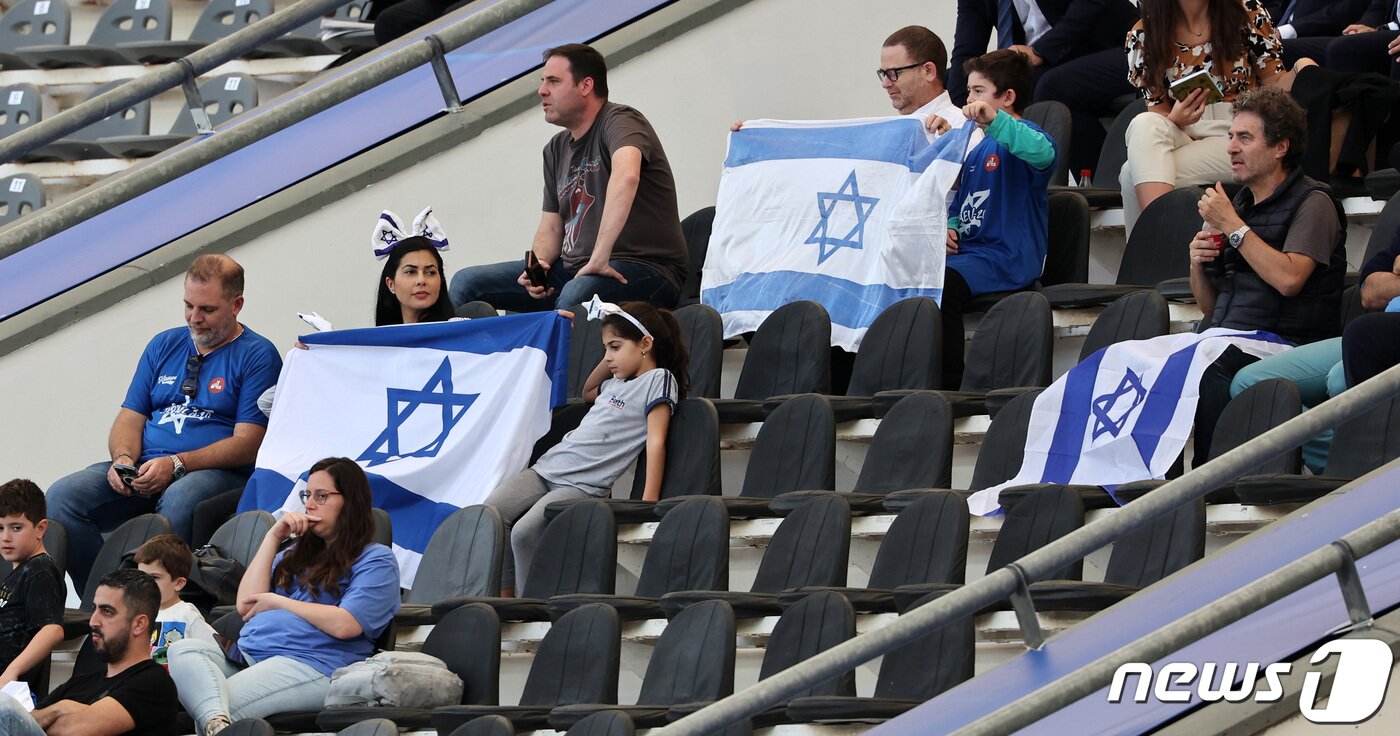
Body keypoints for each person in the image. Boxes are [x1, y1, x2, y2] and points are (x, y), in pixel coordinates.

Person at [46, 255, 282, 594]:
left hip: (213, 473)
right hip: (145, 465)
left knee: (180, 497)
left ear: (237, 304)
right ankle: (104, 597)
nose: (195, 319)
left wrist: (178, 464)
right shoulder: (163, 344)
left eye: (208, 310)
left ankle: (154, 603)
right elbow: (130, 416)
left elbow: (248, 442)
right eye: (188, 306)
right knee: (62, 496)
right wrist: (123, 459)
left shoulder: (258, 354)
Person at [448, 44, 689, 313]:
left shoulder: (621, 120)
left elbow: (627, 176)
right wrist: (536, 267)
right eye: (543, 82)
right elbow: (551, 228)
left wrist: (600, 255)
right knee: (465, 284)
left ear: (586, 86)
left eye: (553, 81)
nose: (542, 91)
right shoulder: (555, 149)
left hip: (645, 269)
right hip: (576, 271)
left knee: (575, 294)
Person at [167, 457, 399, 736]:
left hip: (313, 665)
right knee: (183, 650)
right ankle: (216, 723)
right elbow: (246, 604)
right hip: (249, 655)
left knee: (220, 704)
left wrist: (279, 601)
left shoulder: (376, 560)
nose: (310, 504)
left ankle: (217, 721)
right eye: (307, 495)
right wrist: (273, 536)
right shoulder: (293, 554)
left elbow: (346, 624)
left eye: (322, 496)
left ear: (350, 502)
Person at [484, 298, 685, 594]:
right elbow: (589, 390)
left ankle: (526, 607)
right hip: (547, 469)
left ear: (645, 344)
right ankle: (505, 598)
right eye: (605, 349)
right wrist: (612, 354)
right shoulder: (616, 383)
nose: (608, 357)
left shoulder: (659, 380)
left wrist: (648, 502)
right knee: (492, 512)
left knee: (524, 533)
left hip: (582, 485)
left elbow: (656, 442)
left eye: (615, 347)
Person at [1188, 86, 1346, 460]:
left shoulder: (1314, 203)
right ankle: (1157, 485)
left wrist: (1233, 227)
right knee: (1159, 365)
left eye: (1245, 138)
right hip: (1235, 337)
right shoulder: (1240, 205)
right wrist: (1196, 264)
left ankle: (1209, 484)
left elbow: (1290, 281)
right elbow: (1211, 309)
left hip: (1289, 342)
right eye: (1230, 136)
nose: (1231, 148)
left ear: (1280, 147)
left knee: (1214, 369)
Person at [926, 49, 1058, 390]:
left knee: (943, 283)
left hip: (1006, 259)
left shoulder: (1022, 136)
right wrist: (952, 228)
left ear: (1008, 97)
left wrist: (996, 121)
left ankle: (948, 389)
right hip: (971, 256)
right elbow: (961, 205)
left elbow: (1045, 154)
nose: (969, 100)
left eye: (978, 91)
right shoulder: (975, 147)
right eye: (969, 91)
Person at [1120, 0, 1311, 234]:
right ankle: (1159, 250)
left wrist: (1302, 69)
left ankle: (1152, 257)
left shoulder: (1246, 12)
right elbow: (1157, 113)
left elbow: (1275, 86)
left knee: (1132, 174)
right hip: (1182, 131)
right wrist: (1176, 119)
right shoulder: (1143, 33)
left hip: (1236, 131)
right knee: (1143, 123)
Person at [1225, 225, 1400, 469]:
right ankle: (1341, 456)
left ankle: (1368, 459)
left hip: (1373, 336)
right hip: (1375, 332)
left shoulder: (1314, 199)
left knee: (1342, 375)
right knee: (1250, 383)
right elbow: (1370, 292)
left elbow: (1289, 281)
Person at [946, 0, 1140, 173]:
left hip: (1119, 47)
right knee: (983, 86)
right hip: (1049, 64)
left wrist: (1040, 51)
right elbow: (967, 50)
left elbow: (1091, 5)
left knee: (1051, 87)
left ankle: (1100, 180)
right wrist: (957, 113)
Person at [0, 569, 178, 736]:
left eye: (107, 612)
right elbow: (29, 720)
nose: (93, 621)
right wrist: (61, 708)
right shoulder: (79, 683)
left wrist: (48, 718)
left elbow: (73, 730)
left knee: (3, 706)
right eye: (94, 609)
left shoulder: (153, 683)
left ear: (139, 624)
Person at [0, 479, 64, 692]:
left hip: (11, 691)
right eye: (0, 528)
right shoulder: (19, 572)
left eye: (16, 528)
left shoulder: (39, 570)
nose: (5, 537)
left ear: (40, 528)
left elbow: (52, 629)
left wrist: (12, 671)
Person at [133, 534, 218, 668]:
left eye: (155, 578)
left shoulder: (187, 615)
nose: (145, 584)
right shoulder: (138, 614)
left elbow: (218, 654)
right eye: (141, 577)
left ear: (178, 583)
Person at [1262, 0, 1371, 66]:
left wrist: (1285, 31)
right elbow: (1275, 4)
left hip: (1317, 35)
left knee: (1267, 47)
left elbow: (1346, 10)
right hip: (1275, 25)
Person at [1324, 0, 1400, 81]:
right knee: (1309, 50)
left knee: (1340, 49)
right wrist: (1364, 26)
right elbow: (1378, 7)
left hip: (1394, 36)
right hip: (1385, 30)